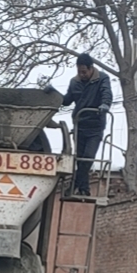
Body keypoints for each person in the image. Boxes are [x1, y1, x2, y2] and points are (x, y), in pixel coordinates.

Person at [60, 54, 112, 196]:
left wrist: (105, 104)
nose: (81, 75)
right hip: (80, 126)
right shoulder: (74, 82)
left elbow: (106, 92)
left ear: (91, 69)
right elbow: (67, 100)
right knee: (80, 158)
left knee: (88, 156)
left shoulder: (102, 79)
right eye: (79, 71)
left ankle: (75, 186)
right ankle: (84, 189)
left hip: (95, 126)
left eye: (84, 72)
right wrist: (53, 94)